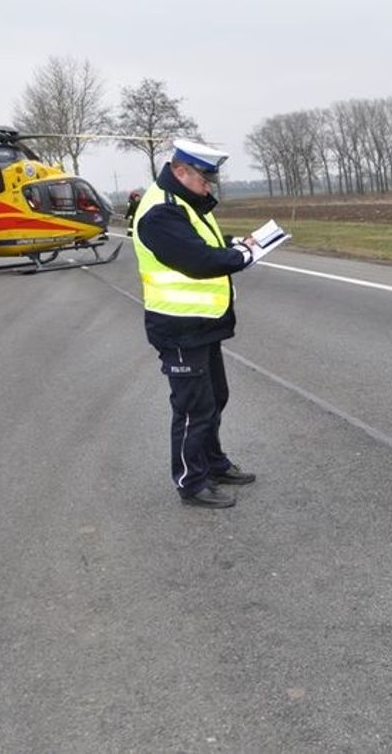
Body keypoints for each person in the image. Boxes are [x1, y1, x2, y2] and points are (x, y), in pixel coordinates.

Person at [132, 140, 259, 508]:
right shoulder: (161, 212)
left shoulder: (185, 203)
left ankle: (214, 464)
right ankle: (191, 482)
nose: (209, 185)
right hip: (179, 327)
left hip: (201, 324)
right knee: (193, 408)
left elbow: (206, 243)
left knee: (215, 397)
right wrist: (244, 255)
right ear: (180, 171)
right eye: (204, 178)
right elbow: (199, 260)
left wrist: (238, 243)